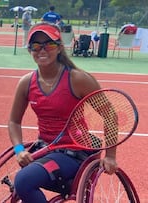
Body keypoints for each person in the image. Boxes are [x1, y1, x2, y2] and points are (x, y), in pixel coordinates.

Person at [8, 22, 118, 202]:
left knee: (24, 181)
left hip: (75, 153)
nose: (42, 50)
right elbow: (14, 121)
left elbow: (110, 115)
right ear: (29, 51)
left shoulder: (78, 79)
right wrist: (19, 150)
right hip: (45, 149)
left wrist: (111, 156)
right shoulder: (26, 83)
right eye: (36, 46)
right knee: (26, 179)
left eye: (49, 44)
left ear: (59, 48)